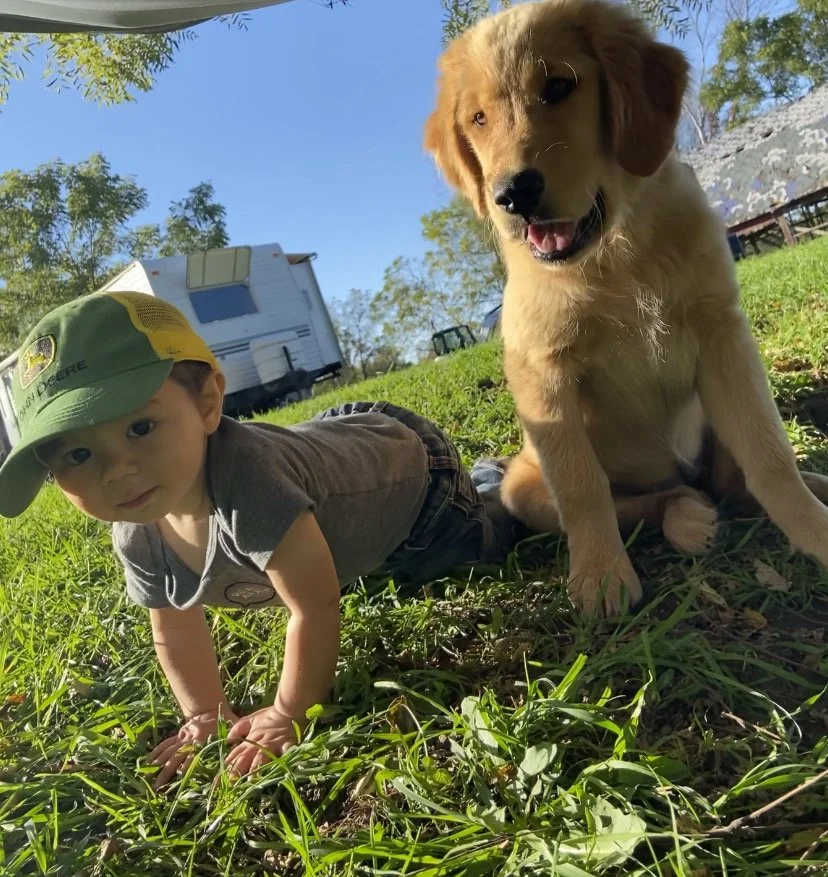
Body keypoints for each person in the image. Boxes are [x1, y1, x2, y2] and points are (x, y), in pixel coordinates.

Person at [0, 291, 515, 786]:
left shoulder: (252, 486)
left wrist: (289, 712)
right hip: (327, 468)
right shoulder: (137, 533)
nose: (117, 471)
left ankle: (493, 478)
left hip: (415, 480)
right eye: (79, 455)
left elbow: (315, 607)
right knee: (347, 562)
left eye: (140, 427)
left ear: (207, 403)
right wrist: (204, 713)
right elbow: (174, 626)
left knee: (485, 545)